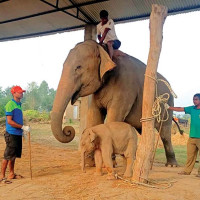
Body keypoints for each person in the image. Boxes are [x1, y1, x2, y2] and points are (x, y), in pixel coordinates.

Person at [0, 86, 30, 184]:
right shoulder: (10, 104)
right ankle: (1, 176)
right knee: (8, 155)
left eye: (22, 92)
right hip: (12, 133)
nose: (22, 93)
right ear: (14, 93)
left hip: (17, 133)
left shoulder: (18, 104)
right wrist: (22, 127)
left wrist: (23, 131)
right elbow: (10, 121)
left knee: (13, 155)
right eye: (20, 92)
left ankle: (11, 173)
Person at [165, 93, 200, 177]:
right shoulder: (192, 108)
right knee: (190, 155)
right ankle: (187, 171)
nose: (194, 101)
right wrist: (169, 107)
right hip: (192, 136)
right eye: (193, 99)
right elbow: (180, 109)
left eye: (196, 99)